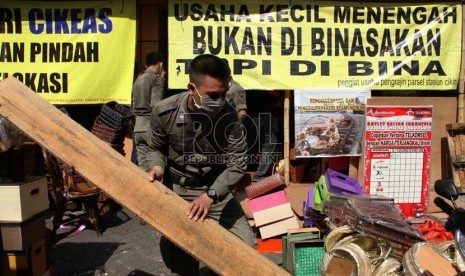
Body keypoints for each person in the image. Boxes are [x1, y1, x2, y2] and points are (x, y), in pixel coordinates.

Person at [146, 54, 257, 275]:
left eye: (224, 94)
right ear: (191, 88)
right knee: (182, 257)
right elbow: (155, 149)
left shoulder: (229, 118)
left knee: (246, 250)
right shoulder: (164, 112)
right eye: (213, 95)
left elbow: (237, 163)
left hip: (216, 192)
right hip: (178, 191)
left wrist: (210, 195)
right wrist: (157, 167)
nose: (221, 101)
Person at [131, 52, 164, 171]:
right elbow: (156, 105)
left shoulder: (137, 81)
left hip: (138, 127)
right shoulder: (156, 79)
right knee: (156, 166)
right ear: (160, 64)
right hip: (150, 127)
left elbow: (133, 106)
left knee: (143, 168)